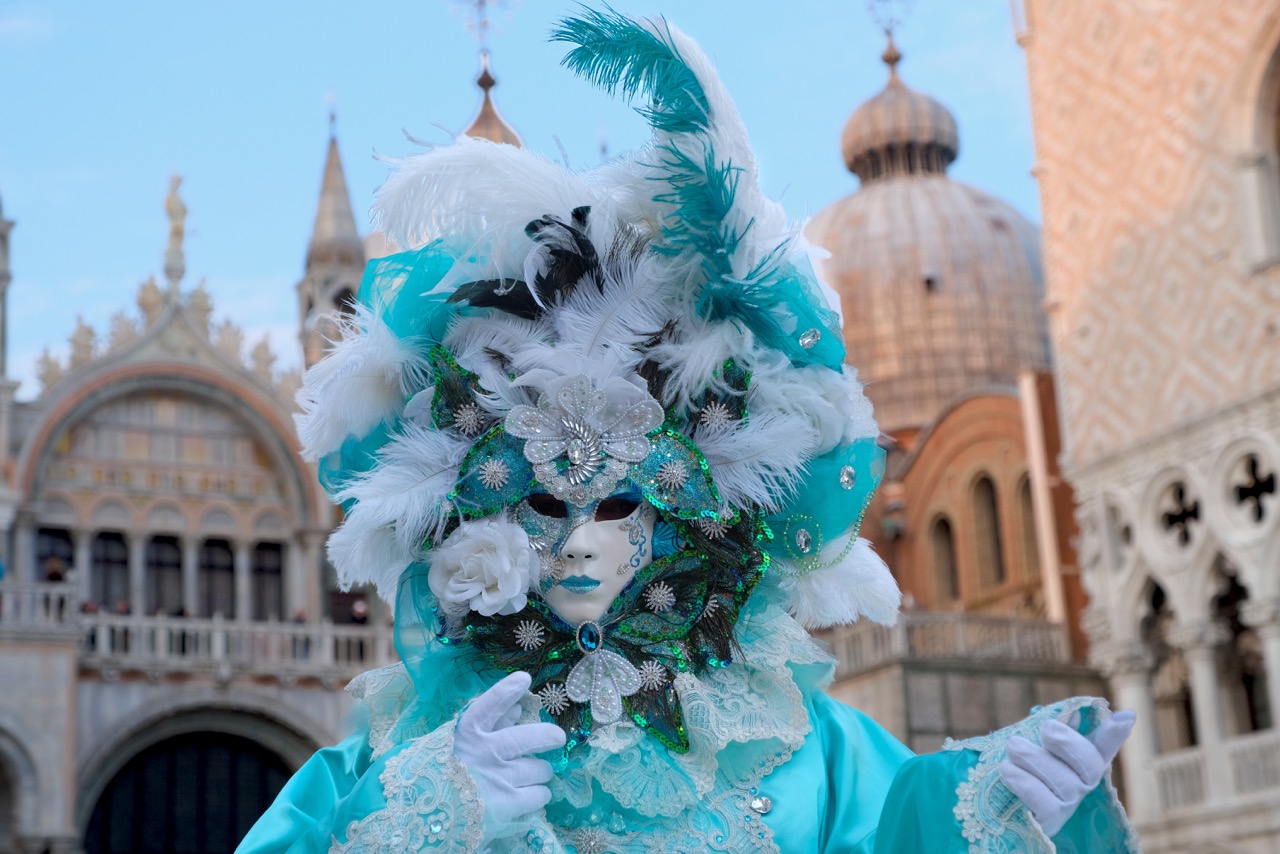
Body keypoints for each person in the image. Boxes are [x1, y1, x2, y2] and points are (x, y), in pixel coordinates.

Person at [238, 10, 1138, 852]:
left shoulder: (789, 738)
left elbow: (889, 824)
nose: (579, 542)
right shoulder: (408, 756)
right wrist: (423, 818)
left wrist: (992, 802)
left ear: (685, 511)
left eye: (622, 502)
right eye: (547, 502)